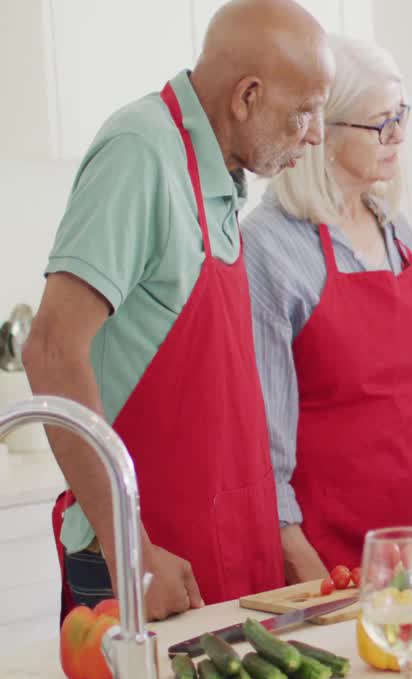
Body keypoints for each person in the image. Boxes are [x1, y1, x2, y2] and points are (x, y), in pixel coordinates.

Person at [22, 0, 333, 620]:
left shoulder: (217, 176)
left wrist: (277, 535)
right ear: (247, 97)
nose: (316, 134)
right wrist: (130, 549)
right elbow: (51, 350)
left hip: (219, 547)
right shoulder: (143, 150)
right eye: (304, 112)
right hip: (146, 559)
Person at [242, 35, 412, 581]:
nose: (399, 134)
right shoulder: (271, 245)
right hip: (324, 551)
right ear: (321, 131)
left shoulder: (395, 228)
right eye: (381, 122)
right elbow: (263, 434)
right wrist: (295, 553)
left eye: (402, 115)